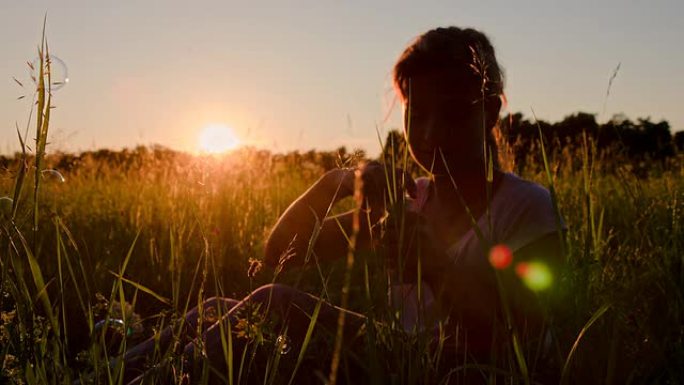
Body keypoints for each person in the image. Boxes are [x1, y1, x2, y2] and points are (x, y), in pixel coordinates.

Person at [122, 26, 564, 384]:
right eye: (415, 113)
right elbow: (281, 254)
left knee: (275, 304)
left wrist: (435, 268)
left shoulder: (527, 206)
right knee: (222, 307)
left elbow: (518, 339)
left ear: (488, 112)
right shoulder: (412, 201)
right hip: (399, 355)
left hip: (453, 372)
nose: (428, 134)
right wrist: (335, 186)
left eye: (450, 113)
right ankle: (111, 371)